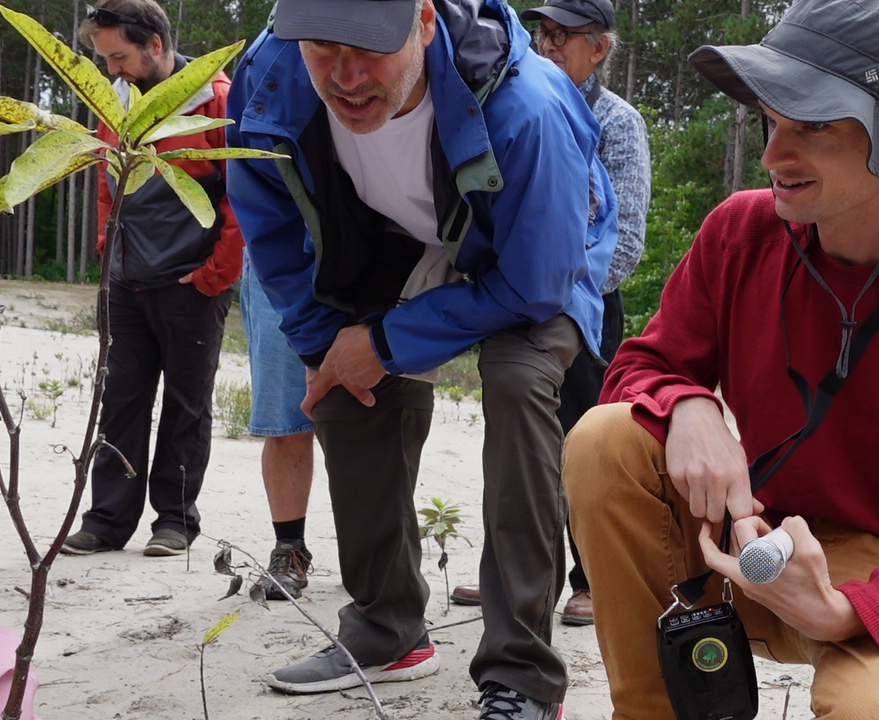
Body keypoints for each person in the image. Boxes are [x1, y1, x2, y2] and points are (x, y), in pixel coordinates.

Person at [561, 0, 879, 717]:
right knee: (604, 440)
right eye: (773, 120)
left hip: (869, 572)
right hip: (726, 538)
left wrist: (850, 611)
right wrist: (689, 404)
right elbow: (638, 368)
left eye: (813, 124)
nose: (772, 155)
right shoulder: (739, 232)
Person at [225, 0, 617, 717]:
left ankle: (523, 675)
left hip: (537, 250)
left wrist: (385, 342)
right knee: (344, 385)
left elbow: (535, 284)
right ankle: (388, 630)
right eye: (323, 47)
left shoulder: (526, 106)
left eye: (369, 48)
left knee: (518, 380)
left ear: (426, 22)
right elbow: (271, 225)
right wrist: (328, 348)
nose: (345, 77)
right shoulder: (268, 76)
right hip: (394, 234)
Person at [451, 0, 651, 627]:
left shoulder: (617, 121)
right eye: (542, 31)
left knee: (583, 444)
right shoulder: (514, 99)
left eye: (564, 35)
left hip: (585, 308)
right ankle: (511, 573)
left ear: (601, 47)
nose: (547, 44)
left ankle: (590, 579)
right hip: (515, 297)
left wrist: (558, 293)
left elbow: (625, 239)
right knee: (514, 441)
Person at [63, 0, 242, 558]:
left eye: (119, 57)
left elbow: (243, 197)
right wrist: (106, 248)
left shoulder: (217, 99)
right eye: (105, 59)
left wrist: (215, 276)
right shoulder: (114, 104)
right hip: (126, 282)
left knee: (187, 405)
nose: (111, 69)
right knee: (120, 400)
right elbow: (106, 182)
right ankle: (106, 521)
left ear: (156, 45)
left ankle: (174, 521)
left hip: (192, 284)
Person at [240, 259, 316, 600]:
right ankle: (289, 549)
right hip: (279, 262)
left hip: (364, 251)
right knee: (284, 419)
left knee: (362, 419)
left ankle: (369, 552)